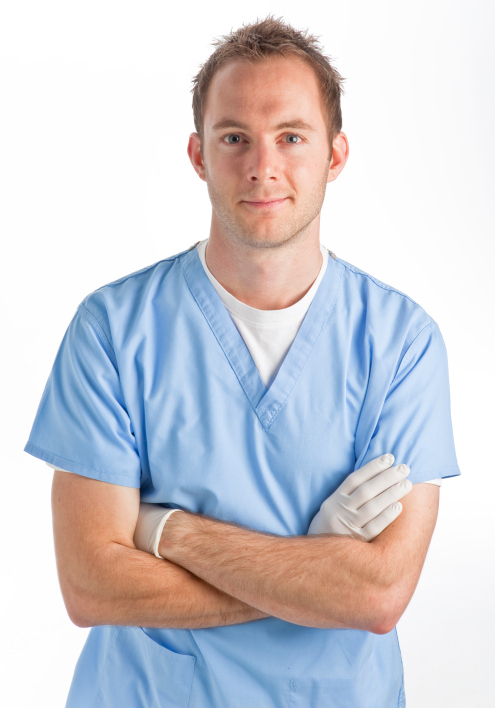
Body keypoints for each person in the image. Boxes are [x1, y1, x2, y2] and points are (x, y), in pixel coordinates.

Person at [24, 15, 460, 708]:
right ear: (197, 155)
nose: (263, 166)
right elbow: (90, 584)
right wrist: (313, 565)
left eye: (291, 136)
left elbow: (376, 594)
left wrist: (165, 530)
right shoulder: (112, 330)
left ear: (334, 156)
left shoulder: (398, 342)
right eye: (235, 139)